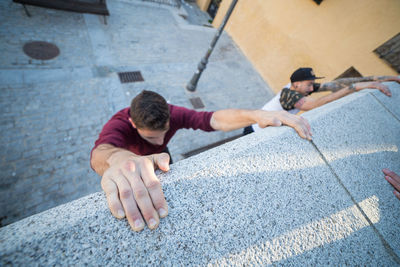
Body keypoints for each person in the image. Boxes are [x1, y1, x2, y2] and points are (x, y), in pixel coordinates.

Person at [91, 90, 312, 231]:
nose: (158, 140)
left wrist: (256, 115)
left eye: (164, 132)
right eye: (151, 136)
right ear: (132, 123)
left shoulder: (174, 113)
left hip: (161, 157)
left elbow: (211, 119)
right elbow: (102, 152)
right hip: (128, 160)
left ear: (169, 114)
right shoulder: (119, 123)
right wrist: (119, 159)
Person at [244, 68, 399, 134]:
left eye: (312, 84)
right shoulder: (288, 94)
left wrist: (375, 79)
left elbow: (336, 84)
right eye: (309, 85)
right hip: (254, 131)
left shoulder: (298, 87)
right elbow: (315, 105)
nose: (312, 89)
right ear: (297, 84)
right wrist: (355, 87)